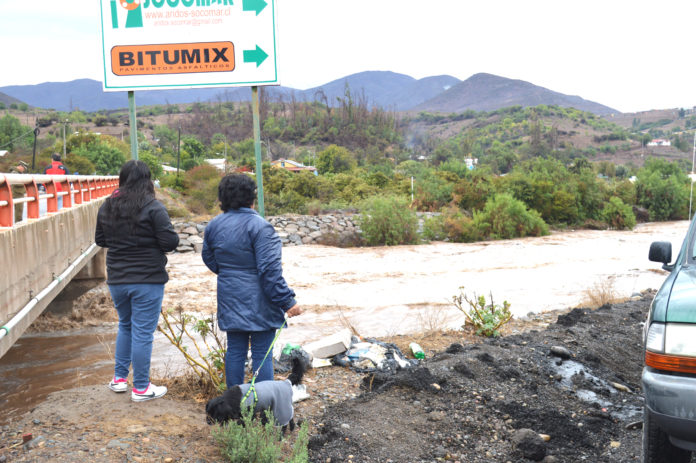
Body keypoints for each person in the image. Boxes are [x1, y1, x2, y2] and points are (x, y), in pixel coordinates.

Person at [202, 174, 302, 389]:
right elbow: (269, 271)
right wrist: (288, 301)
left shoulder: (213, 226)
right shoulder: (261, 227)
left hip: (229, 295)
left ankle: (234, 405)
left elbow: (209, 259)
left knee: (235, 350)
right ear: (251, 197)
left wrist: (230, 274)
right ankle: (264, 408)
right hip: (260, 301)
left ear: (223, 198)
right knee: (262, 354)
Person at [95, 160, 179, 402]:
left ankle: (120, 380)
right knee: (143, 333)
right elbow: (170, 243)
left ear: (122, 179)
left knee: (126, 325)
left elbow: (100, 239)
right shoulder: (154, 207)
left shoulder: (107, 205)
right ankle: (141, 388)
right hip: (147, 280)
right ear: (147, 180)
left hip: (118, 279)